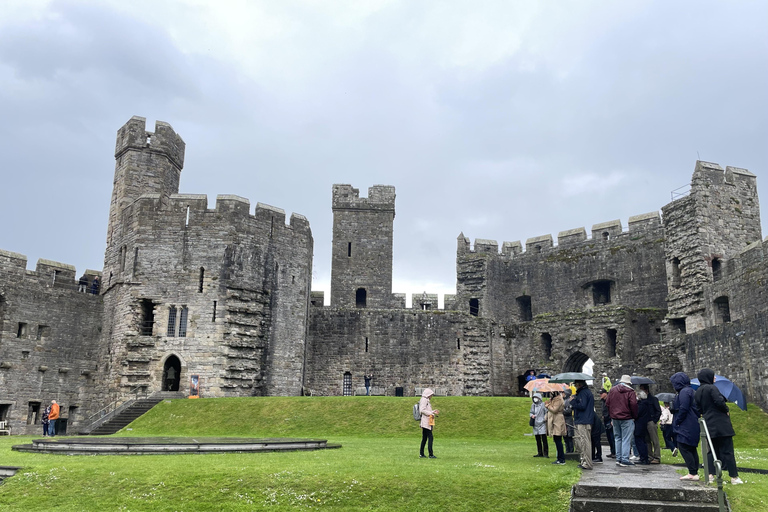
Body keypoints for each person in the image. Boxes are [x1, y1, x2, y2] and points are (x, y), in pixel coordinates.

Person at [694, 369, 743, 485]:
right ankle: (734, 477)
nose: (714, 378)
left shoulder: (698, 391)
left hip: (708, 423)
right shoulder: (712, 388)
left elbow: (698, 408)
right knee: (727, 450)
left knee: (712, 450)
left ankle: (710, 474)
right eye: (713, 376)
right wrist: (726, 409)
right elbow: (719, 401)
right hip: (721, 423)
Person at [670, 372, 700, 481]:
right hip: (692, 422)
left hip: (687, 423)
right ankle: (694, 471)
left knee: (684, 446)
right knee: (691, 447)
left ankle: (692, 472)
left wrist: (677, 421)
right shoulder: (690, 391)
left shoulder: (684, 392)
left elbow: (684, 408)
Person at [606, 374, 638, 467]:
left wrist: (611, 414)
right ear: (629, 382)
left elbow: (607, 403)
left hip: (615, 417)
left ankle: (618, 458)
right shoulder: (630, 391)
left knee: (617, 438)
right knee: (626, 438)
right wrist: (634, 416)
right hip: (627, 417)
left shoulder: (612, 390)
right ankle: (624, 459)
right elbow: (633, 404)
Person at [570, 380, 595, 470]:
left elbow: (582, 406)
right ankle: (584, 461)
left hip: (583, 420)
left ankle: (587, 463)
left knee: (585, 442)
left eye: (576, 385)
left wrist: (573, 401)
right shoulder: (584, 392)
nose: (575, 386)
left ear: (579, 385)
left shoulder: (583, 393)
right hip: (583, 419)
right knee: (583, 441)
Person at [640, 383, 661, 464]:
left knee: (654, 440)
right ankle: (650, 456)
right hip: (644, 421)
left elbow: (658, 410)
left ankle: (657, 457)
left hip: (651, 421)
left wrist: (654, 420)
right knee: (647, 440)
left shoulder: (653, 399)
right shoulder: (643, 400)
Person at [545, 390, 567, 465]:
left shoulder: (559, 399)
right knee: (556, 439)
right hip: (554, 419)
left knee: (558, 439)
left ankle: (561, 459)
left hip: (558, 420)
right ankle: (559, 458)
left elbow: (554, 410)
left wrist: (548, 405)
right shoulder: (554, 399)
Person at [418, 388, 439, 458]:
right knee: (430, 437)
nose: (431, 397)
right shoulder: (424, 400)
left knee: (424, 438)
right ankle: (430, 454)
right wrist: (430, 413)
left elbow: (425, 410)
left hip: (426, 421)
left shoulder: (425, 400)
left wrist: (433, 411)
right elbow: (422, 410)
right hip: (426, 421)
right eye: (431, 395)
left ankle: (421, 453)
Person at [634, 388, 651, 465]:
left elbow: (637, 414)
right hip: (643, 424)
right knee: (643, 441)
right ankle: (644, 457)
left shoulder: (641, 405)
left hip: (639, 424)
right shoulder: (646, 404)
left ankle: (643, 458)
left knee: (639, 441)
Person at [530, 393, 548, 458]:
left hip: (542, 423)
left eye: (536, 397)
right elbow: (531, 412)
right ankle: (539, 452)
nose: (535, 399)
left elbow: (546, 412)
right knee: (538, 439)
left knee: (544, 439)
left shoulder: (543, 405)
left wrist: (544, 419)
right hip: (535, 423)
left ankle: (546, 453)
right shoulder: (533, 405)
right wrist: (532, 415)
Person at [598, 389, 616, 459]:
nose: (600, 395)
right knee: (609, 437)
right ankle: (612, 451)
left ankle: (614, 451)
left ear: (605, 393)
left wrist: (612, 419)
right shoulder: (603, 401)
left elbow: (612, 409)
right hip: (605, 419)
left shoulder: (610, 400)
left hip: (609, 419)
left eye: (601, 393)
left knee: (612, 436)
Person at [563, 388, 575, 453]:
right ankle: (567, 450)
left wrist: (562, 411)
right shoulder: (564, 400)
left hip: (568, 419)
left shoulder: (568, 401)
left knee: (569, 437)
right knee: (565, 437)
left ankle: (570, 450)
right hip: (565, 420)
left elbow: (569, 410)